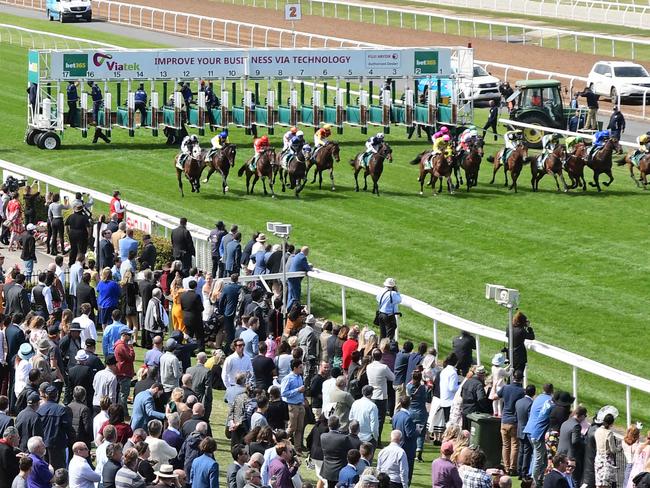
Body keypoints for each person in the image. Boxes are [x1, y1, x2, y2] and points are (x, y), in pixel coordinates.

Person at [524, 383, 554, 486]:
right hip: (538, 432)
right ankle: (534, 481)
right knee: (538, 458)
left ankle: (534, 477)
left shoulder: (538, 398)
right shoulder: (549, 400)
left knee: (537, 456)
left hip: (529, 430)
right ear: (552, 390)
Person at [498, 369, 525, 475]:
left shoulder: (506, 388)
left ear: (513, 377)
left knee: (506, 445)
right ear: (521, 379)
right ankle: (513, 468)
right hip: (514, 422)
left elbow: (497, 395)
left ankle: (506, 467)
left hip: (504, 421)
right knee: (514, 445)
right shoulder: (522, 391)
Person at [366, 348, 394, 445]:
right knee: (380, 419)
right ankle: (377, 440)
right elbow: (392, 377)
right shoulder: (384, 367)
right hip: (381, 396)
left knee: (372, 418)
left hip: (372, 396)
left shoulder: (368, 366)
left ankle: (372, 438)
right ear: (381, 356)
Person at [281, 359, 306, 453]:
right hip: (292, 405)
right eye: (300, 367)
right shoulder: (288, 378)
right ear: (295, 368)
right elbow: (283, 393)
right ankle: (281, 444)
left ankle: (297, 448)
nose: (302, 369)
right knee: (291, 428)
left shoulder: (300, 377)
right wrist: (297, 390)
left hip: (300, 404)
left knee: (300, 428)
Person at [558, 406, 588, 483]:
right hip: (571, 456)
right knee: (575, 479)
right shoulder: (576, 425)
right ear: (581, 415)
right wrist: (584, 442)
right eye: (585, 416)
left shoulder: (565, 422)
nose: (584, 419)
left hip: (561, 453)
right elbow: (575, 441)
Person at [320, 416, 352, 488]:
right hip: (340, 469)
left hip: (328, 469)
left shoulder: (323, 436)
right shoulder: (344, 438)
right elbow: (350, 451)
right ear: (339, 425)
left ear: (328, 425)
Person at [594, 414, 617, 488]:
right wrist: (619, 448)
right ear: (611, 423)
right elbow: (613, 450)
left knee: (598, 484)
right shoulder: (609, 433)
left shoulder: (597, 430)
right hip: (606, 460)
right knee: (606, 484)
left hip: (598, 458)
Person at [181, 281, 205, 351]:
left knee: (189, 334)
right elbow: (201, 308)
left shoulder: (183, 296)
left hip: (186, 317)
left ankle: (189, 349)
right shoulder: (196, 296)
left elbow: (182, 307)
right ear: (196, 287)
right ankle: (201, 349)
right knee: (199, 334)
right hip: (195, 317)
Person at [287, 247, 312, 311]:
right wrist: (310, 267)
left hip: (290, 277)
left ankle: (287, 310)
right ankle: (287, 311)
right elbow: (308, 269)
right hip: (295, 279)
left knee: (291, 295)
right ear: (306, 252)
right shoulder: (303, 257)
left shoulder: (297, 255)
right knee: (295, 297)